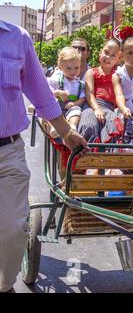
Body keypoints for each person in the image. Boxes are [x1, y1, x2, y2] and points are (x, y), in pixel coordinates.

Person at [0, 19, 87, 293]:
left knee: (13, 228)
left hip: (7, 151)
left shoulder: (18, 37)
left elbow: (39, 90)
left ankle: (3, 286)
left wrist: (66, 131)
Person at [78, 39, 122, 143]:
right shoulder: (91, 72)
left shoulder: (119, 74)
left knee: (112, 127)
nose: (108, 57)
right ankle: (87, 153)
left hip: (110, 108)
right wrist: (97, 109)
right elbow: (89, 93)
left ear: (118, 60)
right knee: (88, 124)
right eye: (106, 53)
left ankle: (106, 155)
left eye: (113, 56)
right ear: (100, 53)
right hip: (92, 105)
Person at [47, 47, 85, 137]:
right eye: (68, 68)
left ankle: (73, 126)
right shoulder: (56, 79)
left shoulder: (80, 84)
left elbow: (83, 98)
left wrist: (75, 103)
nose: (73, 71)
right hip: (58, 105)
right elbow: (48, 94)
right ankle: (54, 127)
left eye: (76, 68)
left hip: (70, 106)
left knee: (76, 111)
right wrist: (58, 93)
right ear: (60, 67)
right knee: (52, 110)